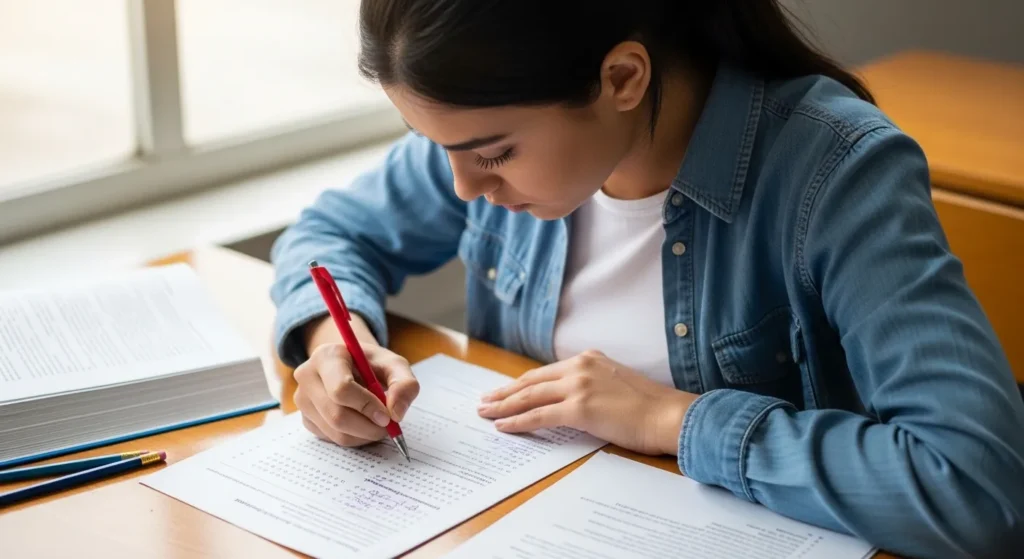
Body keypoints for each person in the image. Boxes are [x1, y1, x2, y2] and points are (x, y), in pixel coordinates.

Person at [269, 1, 1024, 556]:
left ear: (622, 77)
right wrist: (336, 337)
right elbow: (329, 237)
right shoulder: (480, 140)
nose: (463, 187)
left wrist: (673, 419)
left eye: (493, 155)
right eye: (434, 147)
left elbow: (979, 487)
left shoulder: (836, 171)